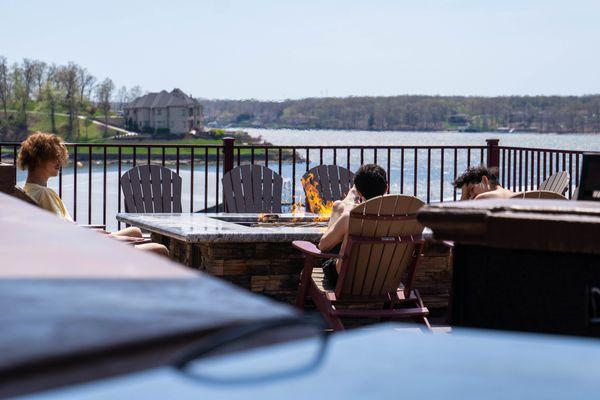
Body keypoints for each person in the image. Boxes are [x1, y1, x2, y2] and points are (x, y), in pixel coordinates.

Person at [17, 132, 168, 256]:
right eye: (53, 158)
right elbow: (67, 235)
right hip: (83, 252)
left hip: (77, 244)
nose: (59, 162)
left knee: (135, 231)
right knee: (160, 250)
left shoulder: (29, 190)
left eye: (59, 157)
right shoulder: (43, 194)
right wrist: (105, 238)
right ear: (37, 160)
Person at [318, 164, 388, 289]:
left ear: (359, 192)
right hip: (383, 277)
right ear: (386, 188)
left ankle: (343, 203)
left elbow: (323, 246)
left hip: (345, 277)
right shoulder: (398, 217)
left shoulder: (350, 218)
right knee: (340, 207)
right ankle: (342, 204)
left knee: (338, 207)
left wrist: (345, 212)